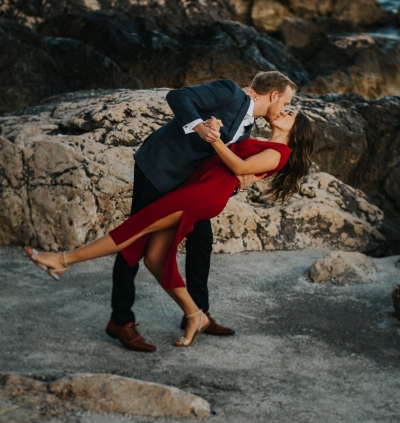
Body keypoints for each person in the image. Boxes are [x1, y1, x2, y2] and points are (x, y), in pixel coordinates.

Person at [25, 108, 314, 348]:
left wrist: (214, 140)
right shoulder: (264, 142)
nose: (284, 111)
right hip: (198, 190)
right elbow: (236, 168)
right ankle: (195, 314)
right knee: (154, 258)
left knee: (134, 229)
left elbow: (239, 168)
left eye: (290, 113)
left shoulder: (280, 152)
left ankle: (62, 260)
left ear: (296, 130)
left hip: (202, 196)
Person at [108, 71, 297, 351]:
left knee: (202, 240)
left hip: (185, 183)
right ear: (273, 95)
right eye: (285, 102)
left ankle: (197, 315)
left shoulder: (247, 126)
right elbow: (178, 96)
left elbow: (222, 163)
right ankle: (120, 321)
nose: (285, 109)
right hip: (159, 168)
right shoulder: (229, 92)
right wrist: (198, 126)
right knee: (135, 241)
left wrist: (240, 184)